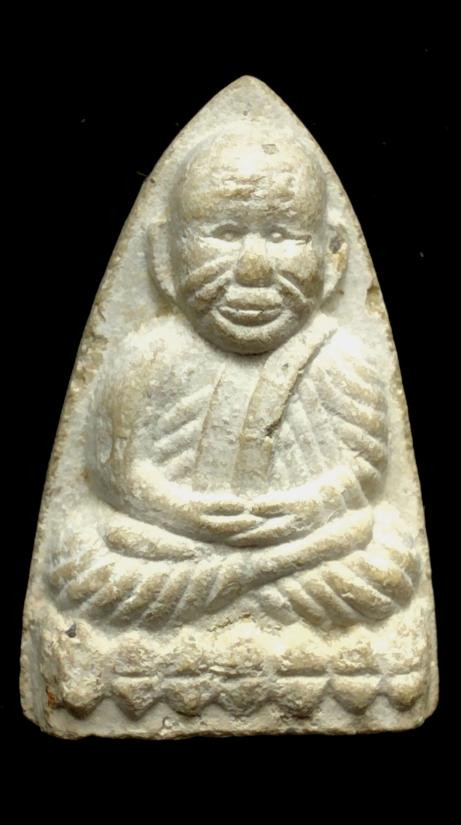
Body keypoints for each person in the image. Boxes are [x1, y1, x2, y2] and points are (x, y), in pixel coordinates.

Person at [50, 126, 419, 629]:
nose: (253, 268)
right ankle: (250, 587)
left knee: (386, 558)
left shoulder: (339, 356)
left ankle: (228, 592)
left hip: (301, 549)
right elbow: (115, 473)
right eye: (224, 234)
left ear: (334, 255)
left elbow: (365, 470)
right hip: (173, 545)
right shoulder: (148, 353)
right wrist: (184, 513)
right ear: (163, 254)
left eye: (282, 236)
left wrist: (305, 509)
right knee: (81, 555)